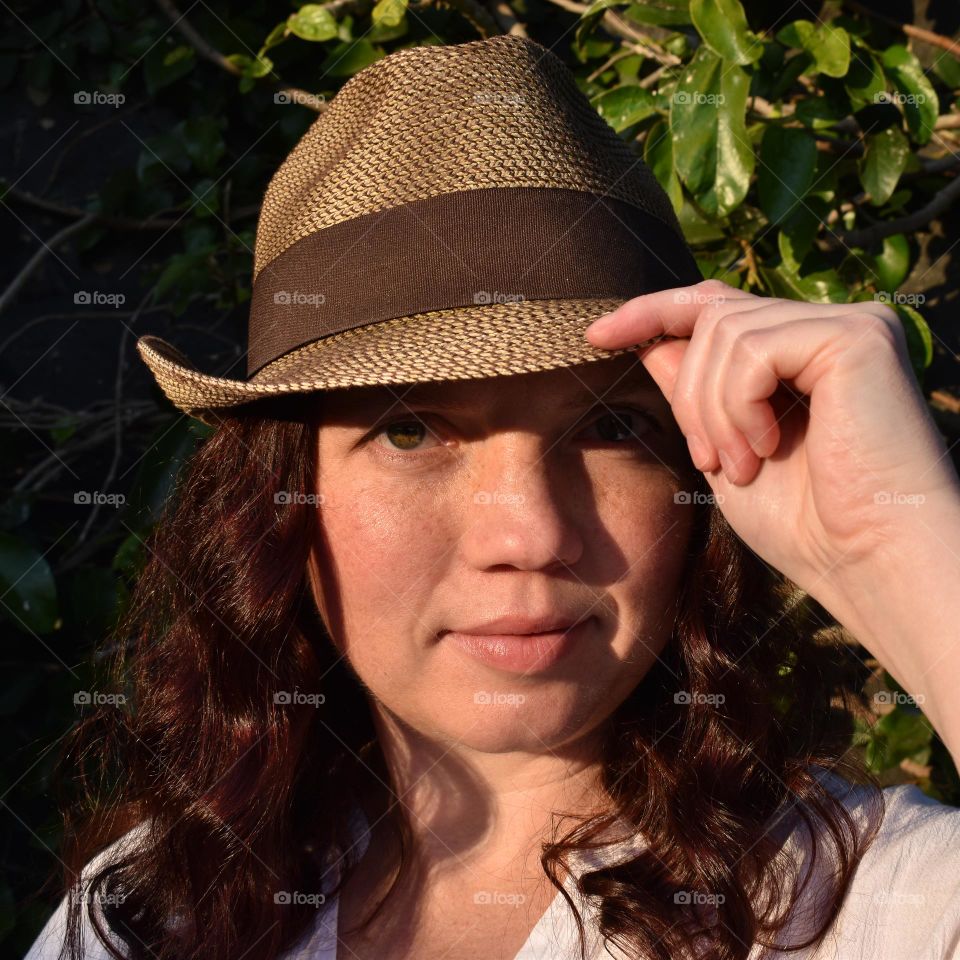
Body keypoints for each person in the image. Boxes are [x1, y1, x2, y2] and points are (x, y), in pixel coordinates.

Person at [23, 33, 960, 960]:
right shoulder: (148, 912)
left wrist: (902, 547)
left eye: (610, 428)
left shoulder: (875, 903)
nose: (530, 533)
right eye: (409, 430)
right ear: (283, 497)